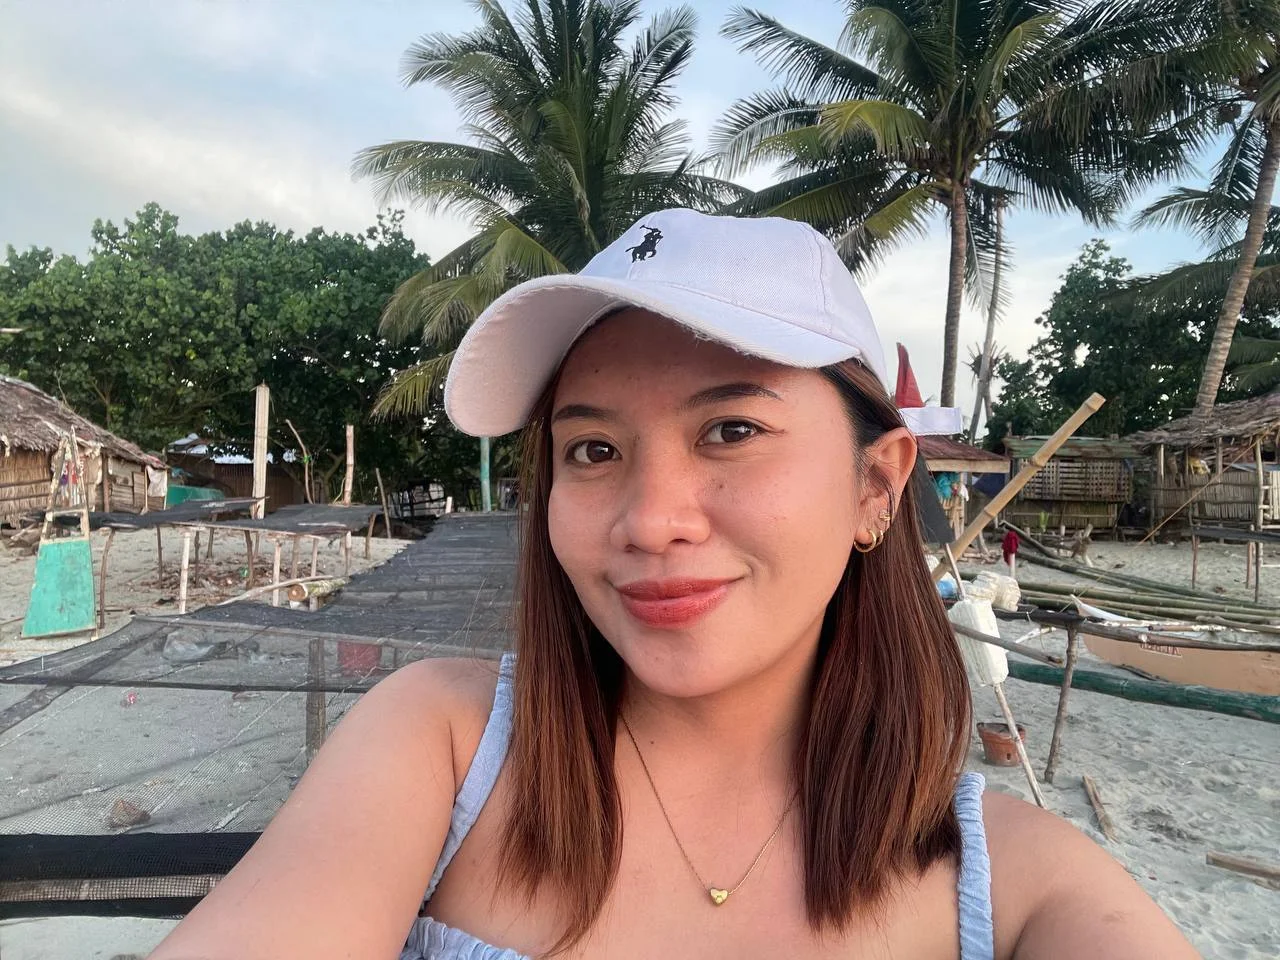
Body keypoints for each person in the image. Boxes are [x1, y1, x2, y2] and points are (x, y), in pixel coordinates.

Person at [149, 210, 1197, 960]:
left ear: (875, 486)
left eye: (731, 430)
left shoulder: (1023, 891)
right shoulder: (439, 750)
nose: (650, 521)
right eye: (593, 450)